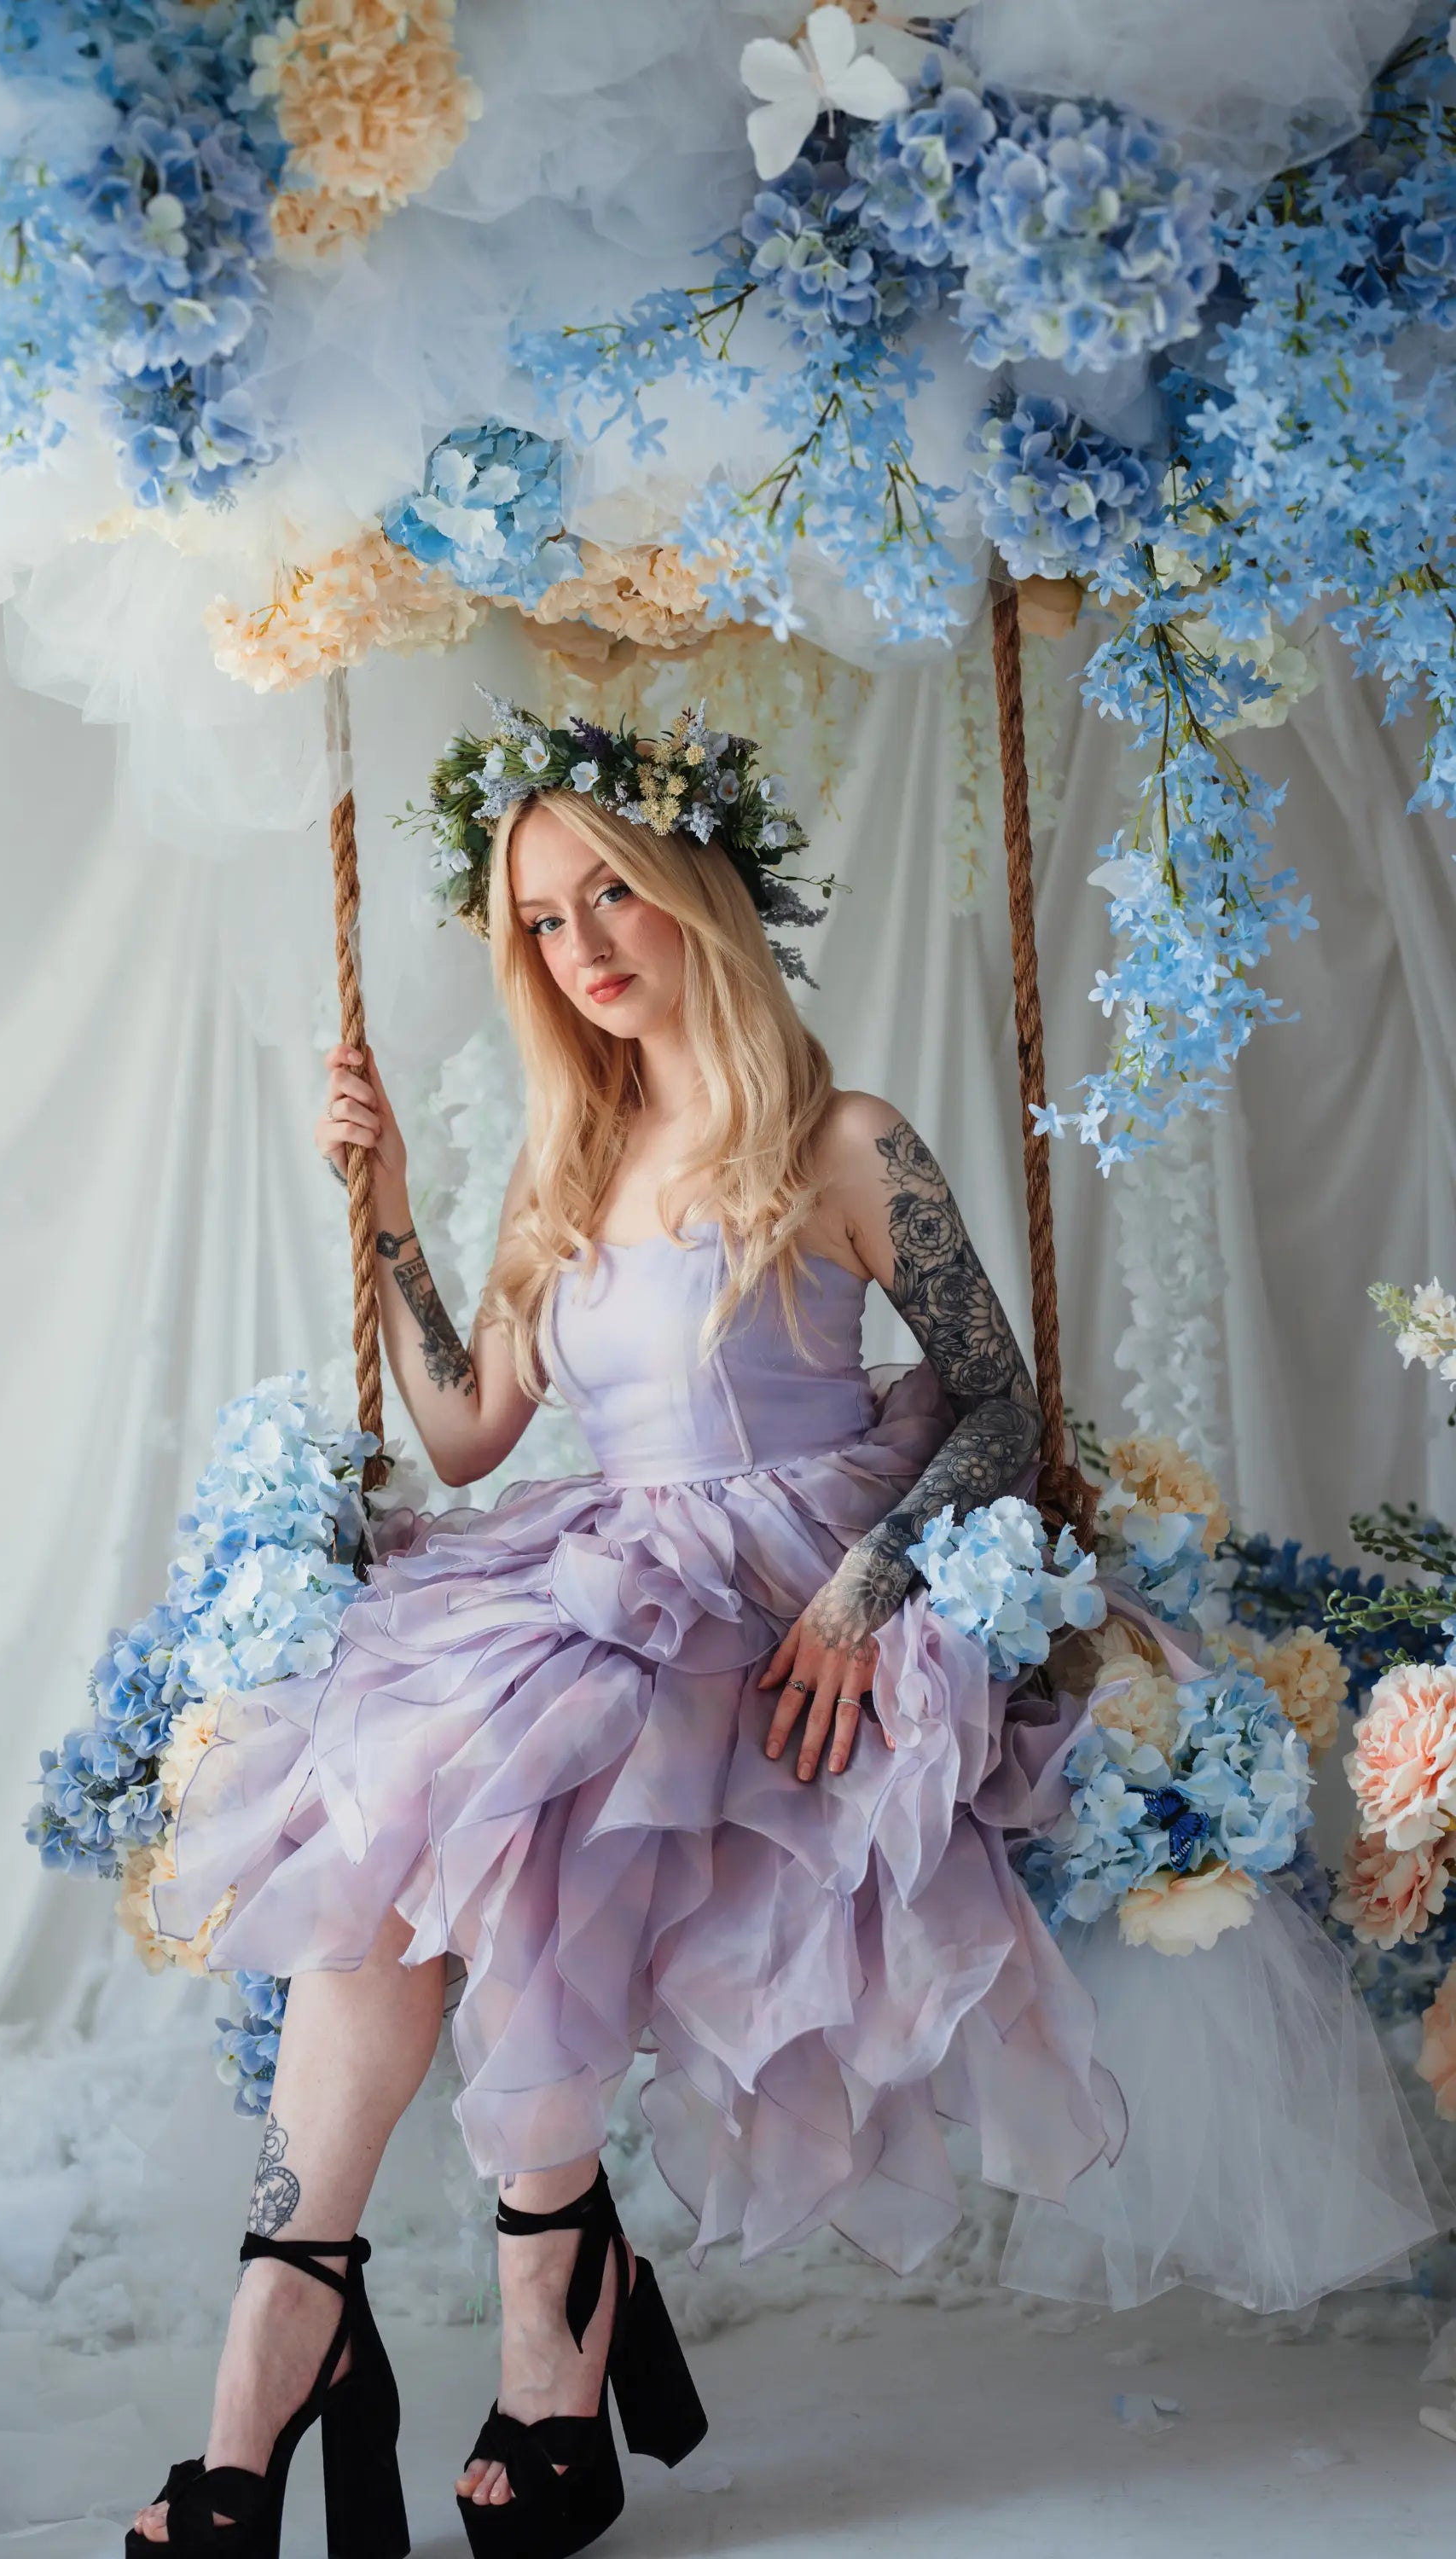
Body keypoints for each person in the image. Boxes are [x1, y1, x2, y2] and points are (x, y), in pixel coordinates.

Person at [125, 703, 1430, 2559]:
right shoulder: (562, 1157)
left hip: (787, 1587)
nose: (581, 951)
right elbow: (473, 1430)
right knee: (391, 1813)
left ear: (695, 892)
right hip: (600, 1573)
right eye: (541, 925)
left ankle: (536, 2332)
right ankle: (303, 2317)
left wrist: (864, 1587)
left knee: (504, 1810)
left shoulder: (836, 1139)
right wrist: (396, 1217)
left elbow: (998, 1406)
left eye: (610, 898)